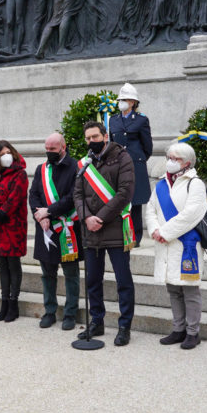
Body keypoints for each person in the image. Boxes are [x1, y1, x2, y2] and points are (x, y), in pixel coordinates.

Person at [73, 121, 136, 346]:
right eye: (88, 138)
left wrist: (99, 218)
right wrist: (86, 218)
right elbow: (77, 194)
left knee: (123, 281)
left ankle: (124, 326)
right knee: (92, 280)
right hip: (91, 231)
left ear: (105, 136)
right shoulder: (85, 164)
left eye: (95, 137)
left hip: (115, 228)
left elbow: (125, 192)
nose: (92, 141)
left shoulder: (122, 157)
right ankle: (96, 321)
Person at [146, 143, 207, 350]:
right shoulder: (161, 184)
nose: (170, 162)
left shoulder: (195, 184)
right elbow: (151, 209)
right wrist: (155, 230)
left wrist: (165, 232)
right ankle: (178, 329)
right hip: (165, 245)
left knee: (190, 291)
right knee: (173, 289)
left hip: (185, 244)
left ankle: (193, 332)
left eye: (176, 158)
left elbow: (191, 214)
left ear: (187, 162)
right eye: (169, 157)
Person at [28, 132, 81, 330]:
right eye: (47, 149)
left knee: (71, 274)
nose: (49, 152)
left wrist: (48, 212)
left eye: (53, 149)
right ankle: (49, 311)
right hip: (46, 229)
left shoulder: (75, 167)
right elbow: (33, 195)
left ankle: (70, 313)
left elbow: (72, 197)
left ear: (63, 147)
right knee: (47, 273)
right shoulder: (41, 169)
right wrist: (40, 216)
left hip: (68, 227)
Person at [0, 140, 28, 322]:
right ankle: (4, 302)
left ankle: (13, 303)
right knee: (2, 265)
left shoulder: (20, 174)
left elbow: (14, 199)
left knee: (13, 264)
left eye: (8, 152)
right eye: (2, 154)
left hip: (13, 226)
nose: (6, 156)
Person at [109, 82, 153, 245]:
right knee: (119, 199)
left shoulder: (141, 120)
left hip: (135, 164)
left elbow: (147, 146)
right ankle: (121, 234)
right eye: (120, 99)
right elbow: (112, 142)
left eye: (125, 99)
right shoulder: (113, 120)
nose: (122, 102)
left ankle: (136, 237)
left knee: (135, 201)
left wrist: (138, 159)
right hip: (118, 164)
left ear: (133, 102)